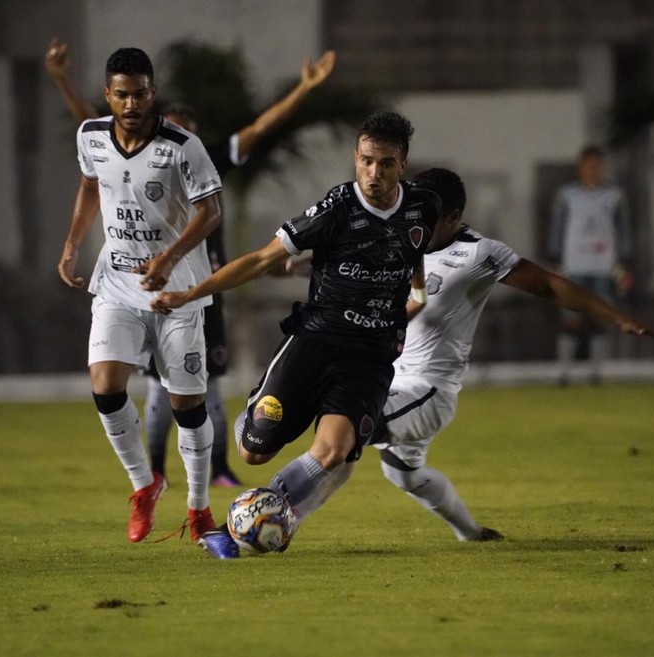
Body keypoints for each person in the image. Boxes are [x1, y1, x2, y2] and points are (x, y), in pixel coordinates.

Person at [275, 167, 654, 542]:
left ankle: (269, 512)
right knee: (404, 474)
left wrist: (617, 318)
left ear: (452, 218)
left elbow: (550, 285)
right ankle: (472, 533)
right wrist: (297, 265)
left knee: (341, 436)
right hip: (385, 379)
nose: (417, 219)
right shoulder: (398, 238)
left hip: (427, 391)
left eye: (429, 215)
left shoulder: (479, 253)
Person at [45, 38, 337, 487]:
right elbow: (94, 141)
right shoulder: (112, 139)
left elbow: (260, 129)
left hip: (200, 284)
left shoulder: (201, 156)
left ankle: (215, 471)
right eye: (124, 97)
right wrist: (62, 79)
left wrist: (303, 89)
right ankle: (154, 475)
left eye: (181, 129)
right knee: (152, 390)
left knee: (202, 390)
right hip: (135, 282)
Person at [152, 112, 442, 558]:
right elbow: (260, 259)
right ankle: (265, 426)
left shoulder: (423, 207)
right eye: (366, 161)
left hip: (369, 355)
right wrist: (193, 292)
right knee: (253, 451)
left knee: (333, 451)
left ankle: (248, 524)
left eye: (385, 164)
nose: (373, 173)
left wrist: (416, 291)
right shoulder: (336, 209)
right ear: (356, 158)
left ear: (403, 164)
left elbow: (412, 250)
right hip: (314, 341)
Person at [56, 47, 223, 543]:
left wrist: (169, 259)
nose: (132, 104)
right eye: (122, 95)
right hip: (117, 283)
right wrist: (71, 245)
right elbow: (90, 186)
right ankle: (144, 485)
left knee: (187, 405)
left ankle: (198, 510)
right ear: (108, 96)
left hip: (178, 290)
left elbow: (211, 211)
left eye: (141, 94)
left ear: (153, 94)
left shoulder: (182, 146)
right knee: (106, 387)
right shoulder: (91, 137)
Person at [547, 145, 634, 386]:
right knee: (570, 320)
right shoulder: (567, 195)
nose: (593, 170)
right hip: (572, 267)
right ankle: (563, 374)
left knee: (598, 320)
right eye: (589, 165)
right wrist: (554, 258)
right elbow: (557, 226)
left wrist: (624, 262)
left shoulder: (614, 196)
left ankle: (596, 374)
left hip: (603, 267)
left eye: (597, 165)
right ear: (580, 167)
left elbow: (623, 228)